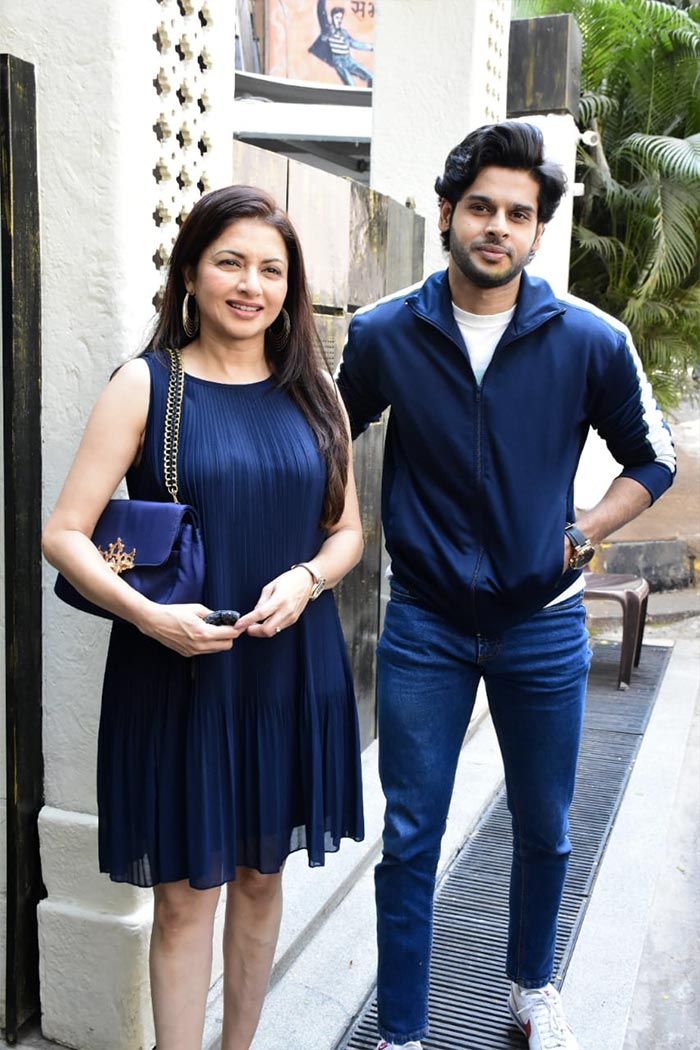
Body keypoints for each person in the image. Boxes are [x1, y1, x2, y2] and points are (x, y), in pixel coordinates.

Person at [336, 121, 676, 1050]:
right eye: (481, 207)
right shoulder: (385, 333)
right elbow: (325, 435)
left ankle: (531, 988)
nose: (498, 227)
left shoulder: (589, 341)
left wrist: (584, 532)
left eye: (518, 215)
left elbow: (653, 460)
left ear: (537, 231)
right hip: (425, 626)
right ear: (447, 213)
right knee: (409, 837)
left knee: (547, 827)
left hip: (543, 624)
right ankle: (403, 1029)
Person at [42, 185, 365, 1050]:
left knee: (262, 882)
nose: (249, 284)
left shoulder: (316, 395)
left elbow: (348, 535)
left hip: (290, 672)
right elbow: (64, 533)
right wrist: (152, 616)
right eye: (230, 261)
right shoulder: (146, 386)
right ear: (191, 271)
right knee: (185, 899)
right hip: (179, 672)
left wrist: (306, 578)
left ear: (289, 286)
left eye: (270, 267)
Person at [309, 1, 374, 87]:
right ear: (332, 18)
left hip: (349, 60)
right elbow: (321, 13)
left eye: (340, 18)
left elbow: (353, 43)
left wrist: (370, 47)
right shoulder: (328, 31)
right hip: (339, 61)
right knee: (351, 85)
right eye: (337, 18)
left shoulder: (344, 33)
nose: (339, 20)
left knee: (371, 77)